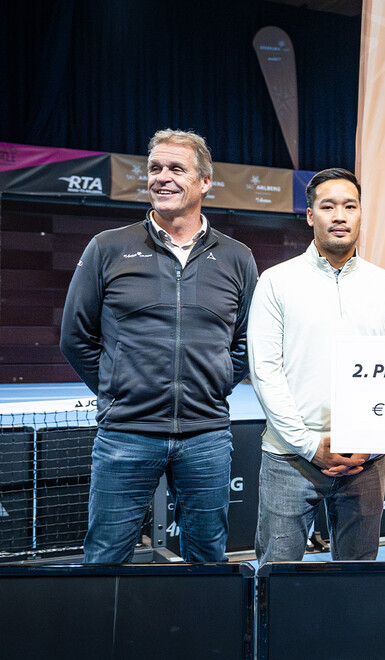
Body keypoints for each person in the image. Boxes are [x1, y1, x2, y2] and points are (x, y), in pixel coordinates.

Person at [59, 129, 258, 563]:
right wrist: (120, 385)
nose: (162, 177)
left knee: (207, 559)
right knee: (106, 558)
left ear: (205, 181)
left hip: (206, 436)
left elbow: (247, 339)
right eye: (154, 168)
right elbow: (75, 336)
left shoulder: (237, 256)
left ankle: (202, 634)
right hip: (125, 434)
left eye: (176, 168)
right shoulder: (107, 248)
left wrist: (218, 380)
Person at [248, 168, 385, 563]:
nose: (340, 215)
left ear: (360, 214)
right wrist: (308, 445)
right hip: (290, 458)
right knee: (275, 582)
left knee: (356, 583)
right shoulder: (276, 281)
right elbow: (265, 371)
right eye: (328, 206)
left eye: (349, 206)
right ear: (309, 215)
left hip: (365, 463)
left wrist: (367, 444)